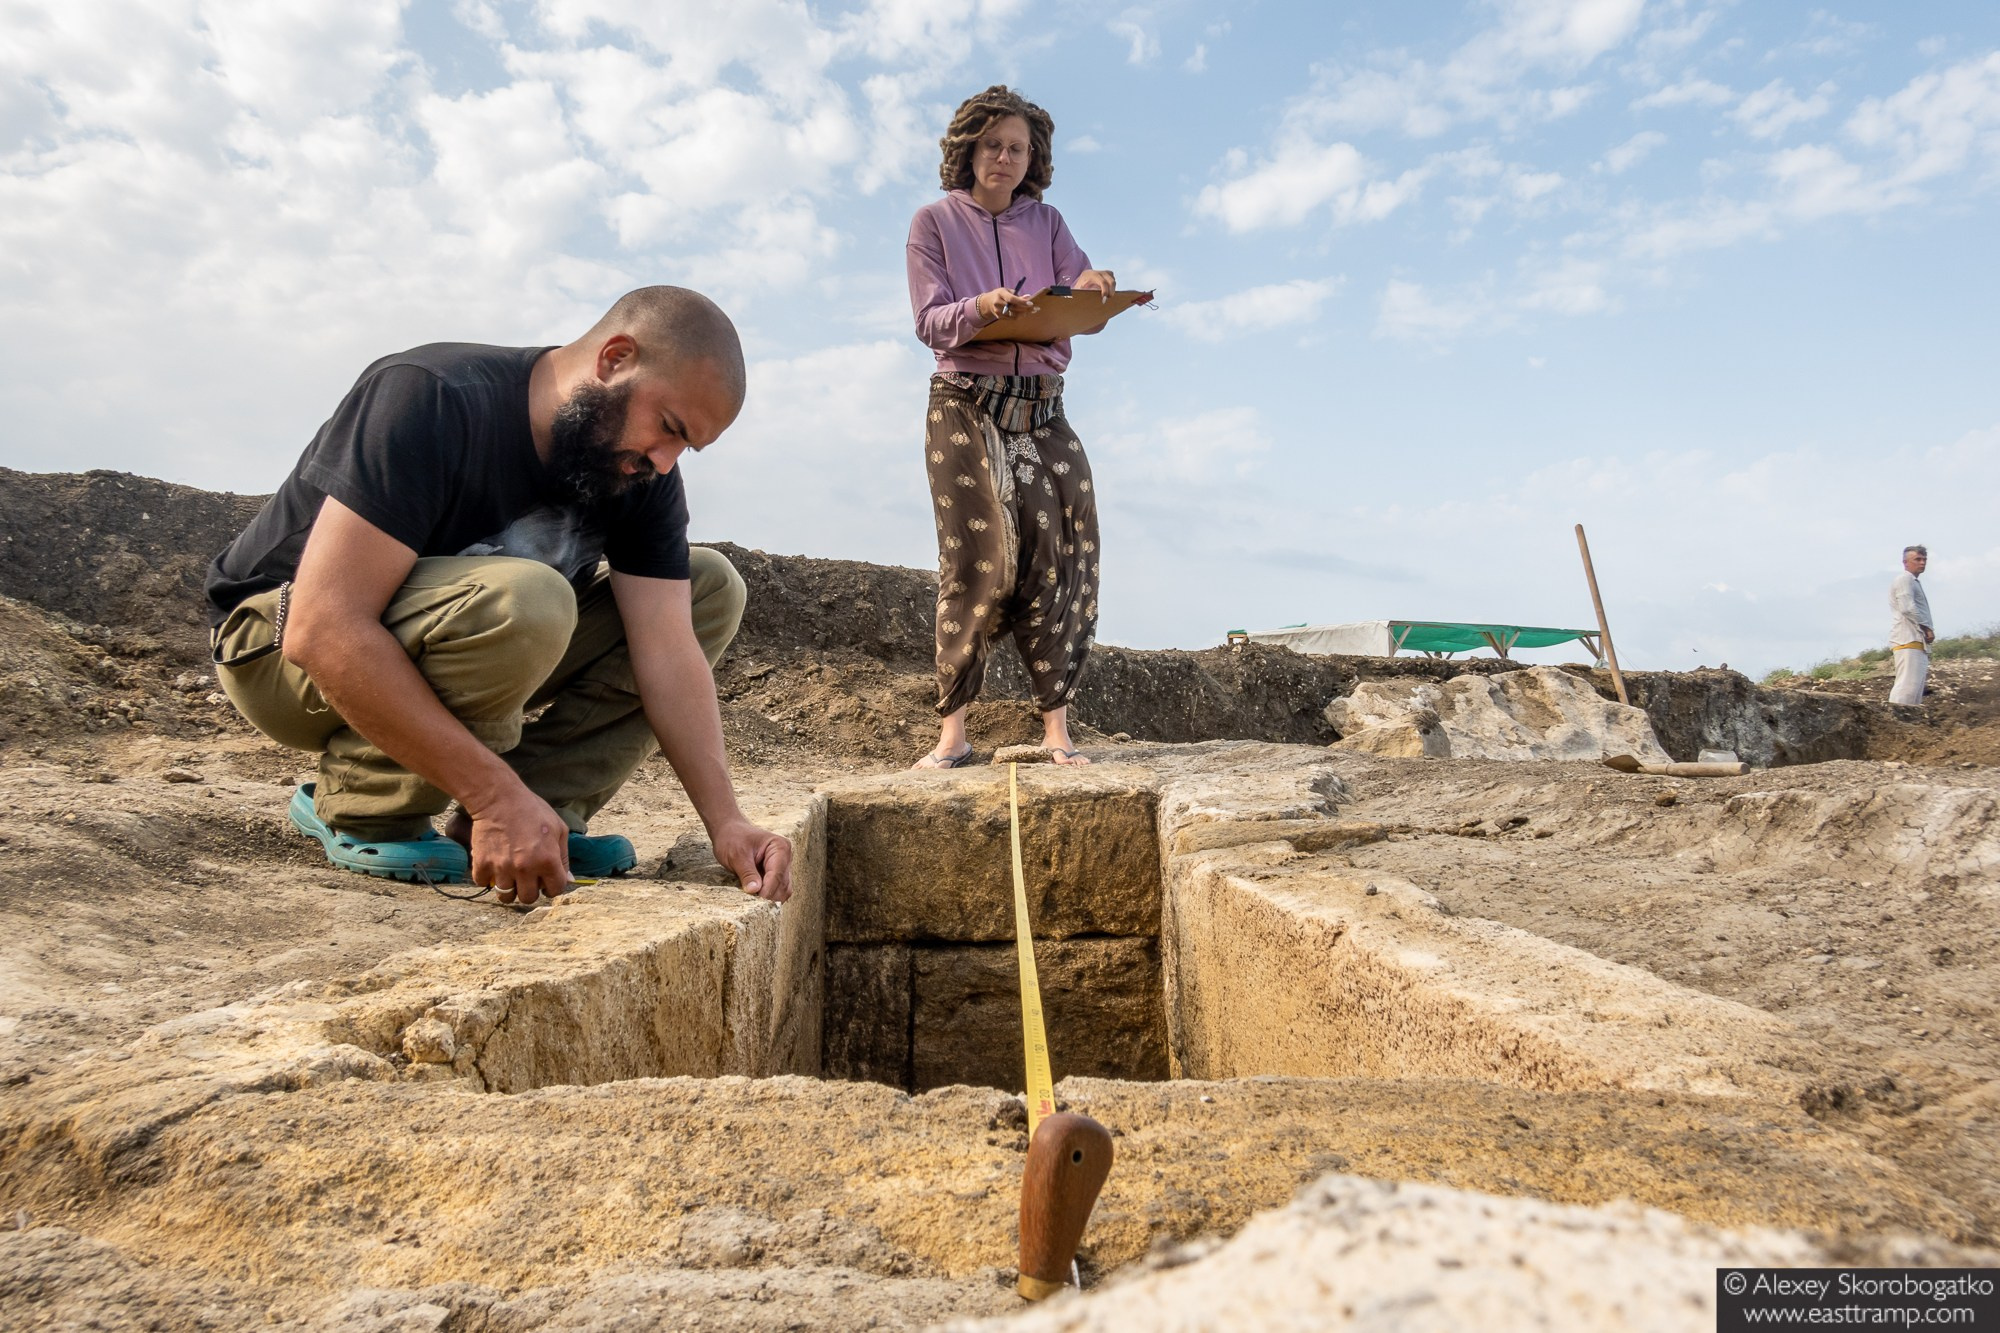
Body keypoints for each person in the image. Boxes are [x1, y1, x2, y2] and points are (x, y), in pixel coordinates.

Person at [206, 287, 792, 908]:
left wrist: (727, 821)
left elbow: (669, 653)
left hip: (450, 637)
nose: (666, 461)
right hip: (276, 649)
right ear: (615, 359)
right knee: (529, 598)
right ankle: (365, 806)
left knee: (710, 588)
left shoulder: (640, 474)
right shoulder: (432, 396)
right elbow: (321, 627)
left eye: (686, 447)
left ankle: (540, 814)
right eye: (668, 428)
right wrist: (493, 796)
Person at [905, 85, 1115, 769]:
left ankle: (1057, 732)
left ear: (1033, 158)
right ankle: (953, 736)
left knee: (1064, 548)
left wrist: (1096, 282)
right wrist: (979, 307)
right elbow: (929, 320)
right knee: (981, 556)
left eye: (1016, 148)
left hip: (1043, 403)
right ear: (969, 148)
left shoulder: (1047, 223)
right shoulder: (933, 222)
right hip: (965, 399)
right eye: (992, 144)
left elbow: (1074, 279)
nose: (1003, 157)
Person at [1888, 544, 1934, 707]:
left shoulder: (1913, 581)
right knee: (1906, 686)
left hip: (1915, 638)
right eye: (1918, 559)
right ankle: (1896, 720)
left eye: (1924, 559)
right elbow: (1907, 607)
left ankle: (1909, 724)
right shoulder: (1904, 579)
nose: (1922, 563)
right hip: (1907, 637)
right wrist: (1926, 627)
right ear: (1905, 562)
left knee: (1914, 687)